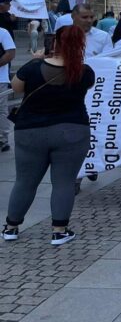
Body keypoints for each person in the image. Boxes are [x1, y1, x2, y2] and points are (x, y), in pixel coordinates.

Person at [2, 24, 94, 245]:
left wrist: (37, 59)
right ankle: (59, 231)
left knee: (24, 182)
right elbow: (85, 85)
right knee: (64, 182)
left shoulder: (33, 68)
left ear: (54, 43)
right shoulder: (85, 71)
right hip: (72, 130)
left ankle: (11, 227)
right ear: (81, 45)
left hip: (30, 132)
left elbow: (16, 88)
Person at [0, 24, 15, 152]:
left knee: (1, 110)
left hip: (0, 80)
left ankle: (2, 139)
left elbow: (10, 53)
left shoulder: (2, 32)